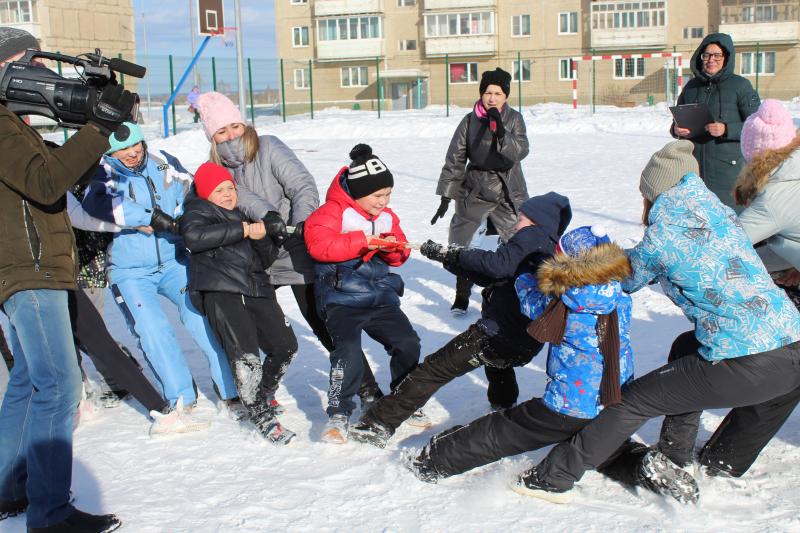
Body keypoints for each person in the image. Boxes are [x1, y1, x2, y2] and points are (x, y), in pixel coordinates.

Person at [514, 140, 800, 504]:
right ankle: (676, 456)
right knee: (685, 348)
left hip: (749, 363)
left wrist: (570, 267)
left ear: (653, 193)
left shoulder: (664, 235)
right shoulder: (720, 215)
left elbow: (626, 279)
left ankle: (552, 478)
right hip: (793, 350)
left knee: (632, 401)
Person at [0, 26, 129, 532]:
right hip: (30, 269)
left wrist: (95, 115)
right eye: (31, 62)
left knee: (30, 380)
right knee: (59, 384)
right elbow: (47, 181)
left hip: (29, 266)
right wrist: (97, 130)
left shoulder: (12, 121)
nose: (42, 74)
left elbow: (48, 174)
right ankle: (50, 514)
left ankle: (10, 490)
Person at [194, 91, 385, 407]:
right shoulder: (215, 169)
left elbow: (303, 186)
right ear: (212, 137)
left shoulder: (268, 146)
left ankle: (368, 390)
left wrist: (299, 228)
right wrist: (266, 219)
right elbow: (235, 200)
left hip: (295, 249)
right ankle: (257, 392)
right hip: (255, 258)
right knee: (252, 330)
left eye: (234, 126)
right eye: (221, 131)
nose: (230, 136)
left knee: (325, 325)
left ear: (244, 123)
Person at [350, 192, 572, 448]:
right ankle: (502, 405)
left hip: (495, 334)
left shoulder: (532, 237)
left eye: (521, 218)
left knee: (434, 370)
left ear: (537, 221)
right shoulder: (544, 251)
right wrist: (448, 258)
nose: (515, 224)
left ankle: (378, 423)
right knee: (498, 364)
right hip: (522, 342)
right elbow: (497, 278)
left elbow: (496, 265)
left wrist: (457, 253)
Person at [654, 99, 800, 478]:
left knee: (782, 366)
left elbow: (729, 245)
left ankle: (723, 459)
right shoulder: (791, 177)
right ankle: (727, 457)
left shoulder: (779, 195)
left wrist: (664, 253)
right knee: (784, 366)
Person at [82, 121, 239, 421]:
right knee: (153, 329)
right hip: (130, 271)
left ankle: (230, 390)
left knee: (201, 318)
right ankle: (180, 394)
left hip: (173, 259)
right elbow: (97, 204)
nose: (131, 153)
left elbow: (192, 193)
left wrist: (187, 224)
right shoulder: (103, 173)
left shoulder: (163, 163)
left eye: (135, 145)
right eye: (122, 148)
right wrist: (151, 217)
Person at [304, 144, 421, 443]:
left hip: (380, 297)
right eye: (377, 196)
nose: (384, 202)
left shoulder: (387, 216)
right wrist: (362, 241)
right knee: (348, 352)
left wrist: (393, 248)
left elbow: (400, 255)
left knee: (407, 342)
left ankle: (403, 398)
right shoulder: (332, 212)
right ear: (357, 192)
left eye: (388, 195)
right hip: (341, 299)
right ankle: (339, 413)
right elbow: (319, 245)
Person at [180, 162, 298, 445]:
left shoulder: (240, 216)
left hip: (257, 289)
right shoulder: (197, 212)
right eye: (219, 190)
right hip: (222, 292)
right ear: (206, 193)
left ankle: (264, 393)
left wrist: (264, 238)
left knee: (286, 346)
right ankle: (259, 414)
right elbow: (193, 238)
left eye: (230, 188)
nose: (227, 194)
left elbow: (265, 260)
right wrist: (244, 231)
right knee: (246, 357)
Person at [430, 67, 530, 314]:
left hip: (508, 189)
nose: (492, 98)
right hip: (476, 188)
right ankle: (462, 294)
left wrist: (500, 131)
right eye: (487, 92)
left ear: (506, 95)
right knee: (463, 243)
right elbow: (456, 157)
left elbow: (520, 151)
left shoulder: (514, 119)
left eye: (497, 93)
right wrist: (447, 193)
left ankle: (517, 291)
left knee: (517, 242)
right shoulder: (469, 120)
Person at [671, 32, 760, 211]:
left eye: (717, 55)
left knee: (729, 220)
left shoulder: (741, 86)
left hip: (729, 172)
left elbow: (757, 126)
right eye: (707, 55)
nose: (711, 59)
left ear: (726, 57)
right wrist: (676, 129)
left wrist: (727, 129)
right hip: (693, 167)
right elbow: (676, 121)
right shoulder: (691, 87)